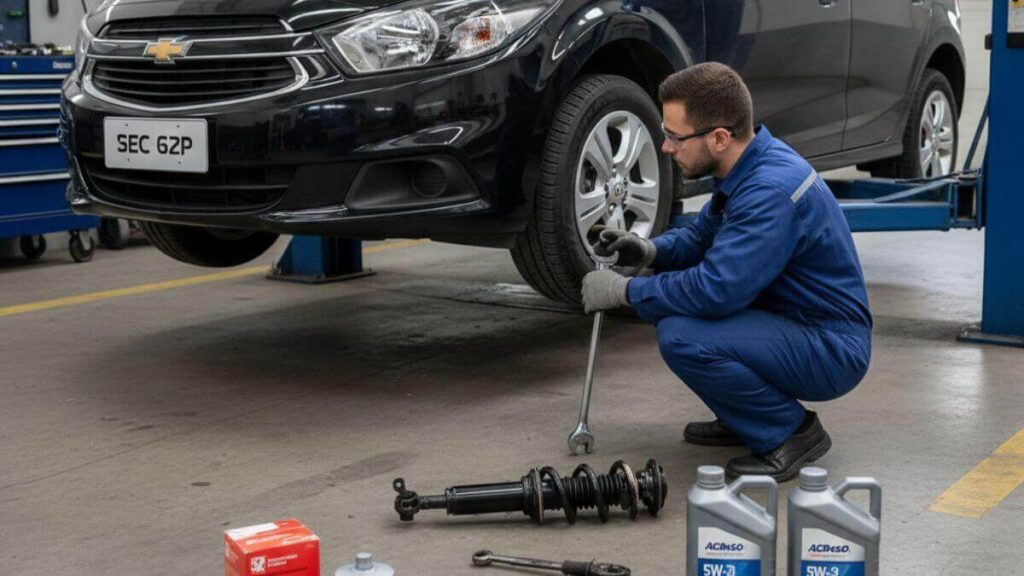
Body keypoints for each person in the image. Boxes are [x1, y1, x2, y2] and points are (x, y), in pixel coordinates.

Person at [581, 62, 872, 481]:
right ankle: (746, 418)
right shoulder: (751, 163)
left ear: (719, 137)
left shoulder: (768, 192)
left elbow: (715, 290)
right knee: (684, 322)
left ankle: (789, 433)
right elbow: (703, 238)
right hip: (793, 322)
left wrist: (626, 292)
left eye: (674, 137)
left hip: (828, 345)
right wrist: (650, 251)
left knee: (683, 335)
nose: (665, 147)